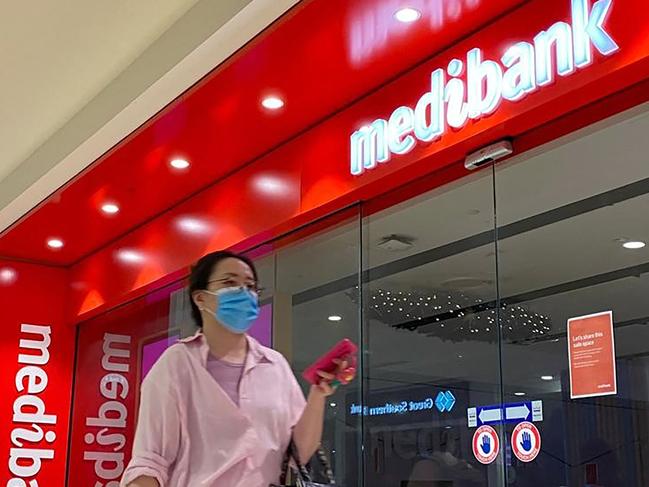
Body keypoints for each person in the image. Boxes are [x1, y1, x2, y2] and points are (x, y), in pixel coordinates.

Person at [122, 250, 353, 487]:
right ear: (200, 298)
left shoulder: (274, 365)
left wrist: (318, 394)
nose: (243, 292)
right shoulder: (177, 364)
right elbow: (150, 460)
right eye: (230, 282)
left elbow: (299, 454)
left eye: (250, 285)